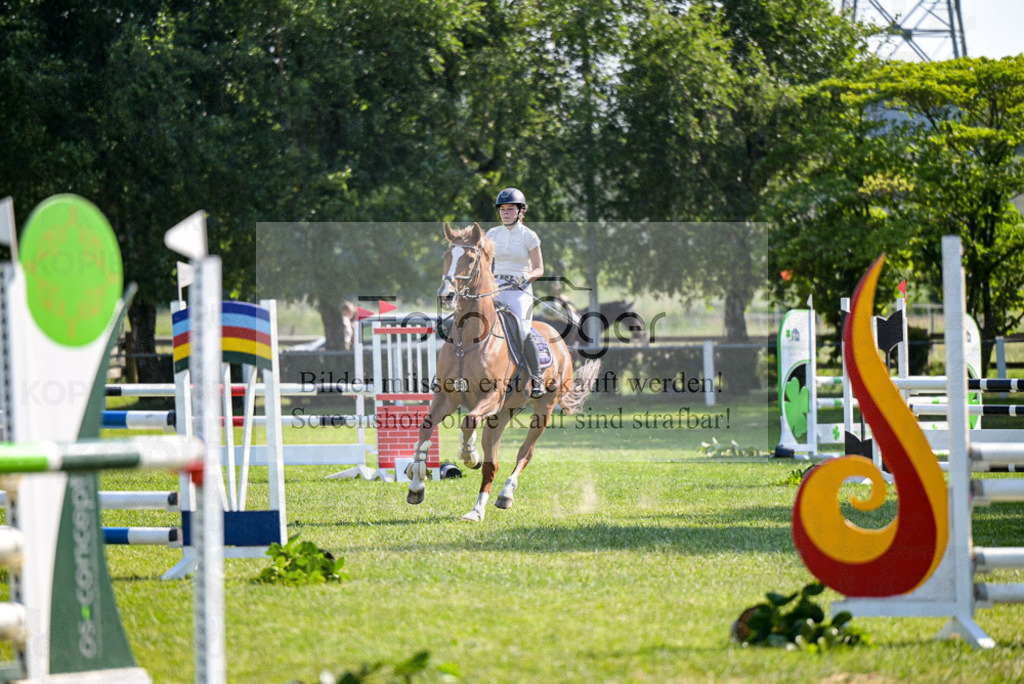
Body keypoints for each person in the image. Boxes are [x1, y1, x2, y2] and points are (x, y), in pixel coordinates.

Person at [486, 187, 546, 398]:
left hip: (520, 290)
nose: (505, 213)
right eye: (502, 209)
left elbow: (540, 268)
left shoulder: (529, 236)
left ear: (521, 211)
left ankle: (537, 378)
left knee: (522, 329)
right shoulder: (492, 234)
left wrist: (526, 276)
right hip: (496, 288)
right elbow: (484, 263)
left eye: (510, 209)